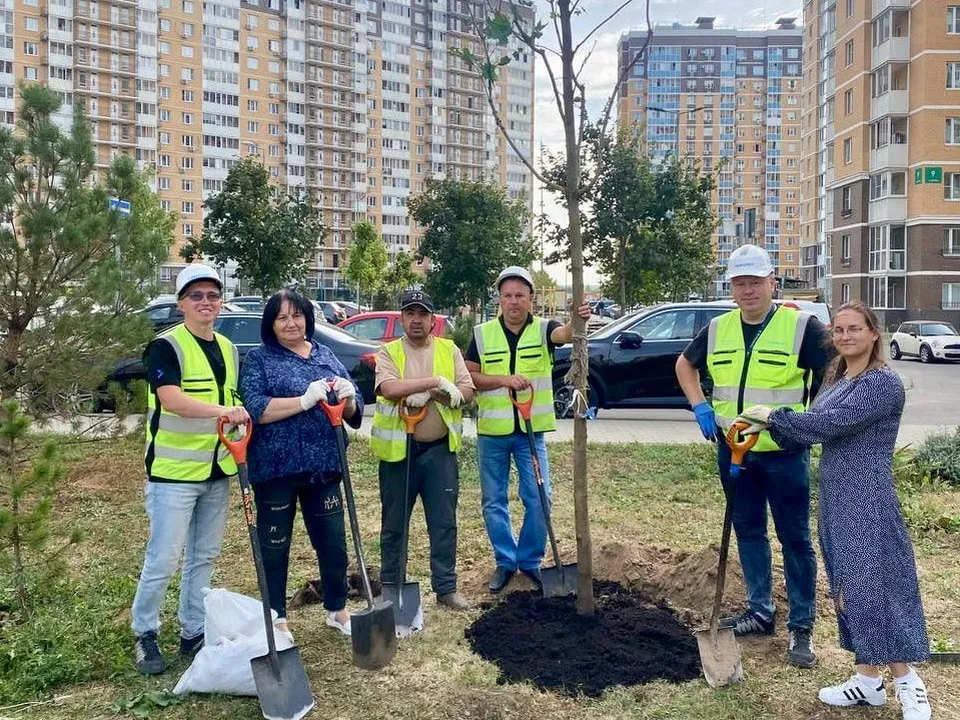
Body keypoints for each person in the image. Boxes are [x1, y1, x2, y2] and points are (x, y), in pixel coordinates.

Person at [737, 301, 931, 720]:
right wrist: (772, 428)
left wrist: (773, 417)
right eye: (838, 330)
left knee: (871, 588)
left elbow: (826, 425)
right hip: (836, 496)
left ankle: (908, 682)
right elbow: (813, 423)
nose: (844, 336)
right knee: (845, 587)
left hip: (867, 498)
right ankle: (867, 682)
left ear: (873, 333)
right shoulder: (838, 376)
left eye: (854, 329)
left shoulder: (882, 384)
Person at [674, 244, 831, 668]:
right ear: (731, 288)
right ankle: (760, 611)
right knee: (748, 531)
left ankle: (802, 629)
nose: (748, 291)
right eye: (740, 283)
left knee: (795, 538)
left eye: (755, 282)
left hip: (784, 453)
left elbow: (835, 370)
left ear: (772, 284)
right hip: (734, 452)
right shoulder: (718, 328)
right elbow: (684, 365)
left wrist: (814, 419)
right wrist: (700, 406)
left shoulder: (803, 328)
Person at [131, 264, 251, 675]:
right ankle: (145, 633)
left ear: (221, 303)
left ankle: (192, 631)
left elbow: (232, 399)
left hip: (217, 470)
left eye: (212, 296)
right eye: (196, 296)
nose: (205, 303)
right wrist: (225, 411)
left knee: (203, 557)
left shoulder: (228, 348)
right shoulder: (166, 347)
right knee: (164, 557)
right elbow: (172, 400)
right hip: (173, 475)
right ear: (181, 303)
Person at [238, 289, 362, 637]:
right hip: (276, 469)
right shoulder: (260, 360)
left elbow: (352, 401)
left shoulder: (323, 354)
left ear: (308, 318)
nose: (291, 323)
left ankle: (336, 608)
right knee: (274, 544)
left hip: (323, 466)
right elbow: (256, 408)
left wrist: (350, 400)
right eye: (282, 317)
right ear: (271, 324)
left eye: (297, 315)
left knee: (333, 542)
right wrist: (304, 400)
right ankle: (276, 616)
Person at [465, 266, 591, 594]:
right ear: (500, 299)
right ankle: (506, 562)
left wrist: (579, 319)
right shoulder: (481, 335)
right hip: (492, 432)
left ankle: (530, 560)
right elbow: (470, 377)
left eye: (520, 295)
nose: (513, 302)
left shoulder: (543, 330)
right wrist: (503, 381)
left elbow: (565, 333)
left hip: (530, 433)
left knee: (539, 497)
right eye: (507, 296)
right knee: (494, 500)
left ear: (531, 299)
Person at [371, 290, 475, 610]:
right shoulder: (388, 352)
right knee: (394, 525)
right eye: (410, 313)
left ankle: (445, 588)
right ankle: (392, 588)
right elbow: (389, 389)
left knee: (443, 523)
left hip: (439, 452)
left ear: (433, 320)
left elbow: (467, 392)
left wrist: (438, 394)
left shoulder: (449, 349)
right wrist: (432, 383)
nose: (416, 320)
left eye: (423, 314)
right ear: (402, 318)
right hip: (399, 453)